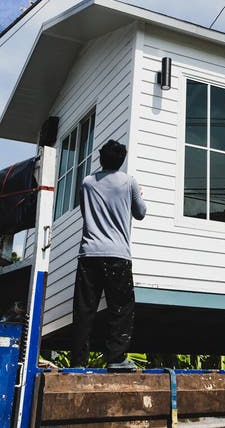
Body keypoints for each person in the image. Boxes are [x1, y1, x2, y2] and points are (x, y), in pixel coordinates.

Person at [71, 139, 146, 370]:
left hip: (89, 254)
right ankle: (116, 359)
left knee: (84, 309)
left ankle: (78, 362)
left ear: (101, 158)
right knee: (120, 308)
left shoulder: (87, 183)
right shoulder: (129, 182)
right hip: (117, 255)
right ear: (121, 161)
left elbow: (86, 213)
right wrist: (138, 195)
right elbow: (141, 213)